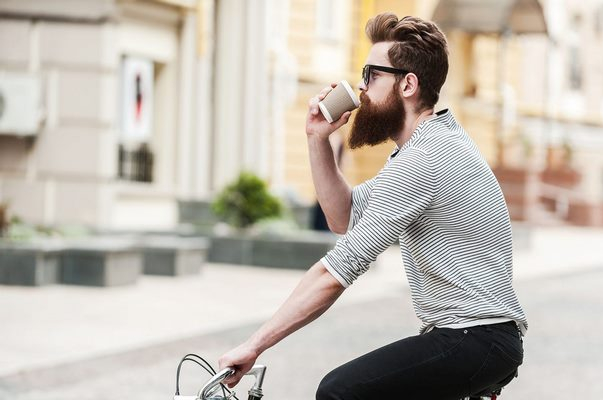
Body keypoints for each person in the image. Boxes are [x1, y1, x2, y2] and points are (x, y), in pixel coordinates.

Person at [219, 12, 527, 400]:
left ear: (408, 84)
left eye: (371, 75)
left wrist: (255, 344)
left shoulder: (425, 160)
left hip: (474, 339)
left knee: (340, 391)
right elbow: (343, 216)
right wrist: (317, 139)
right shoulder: (426, 147)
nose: (361, 89)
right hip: (478, 339)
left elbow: (337, 269)